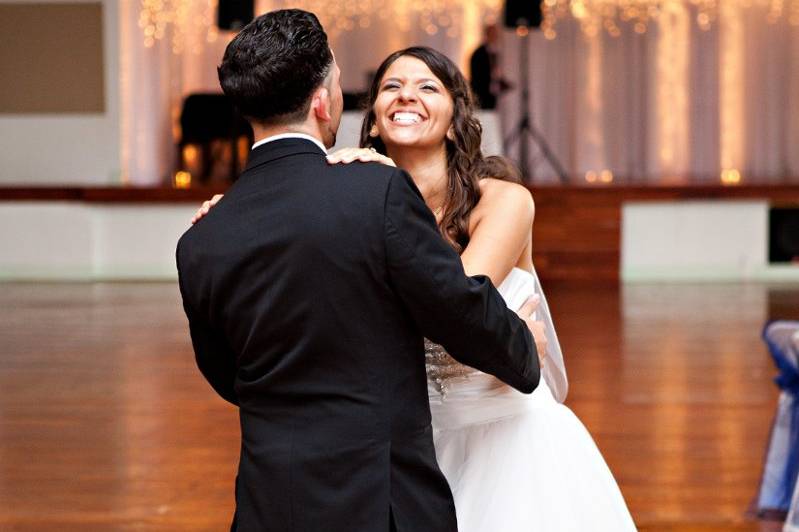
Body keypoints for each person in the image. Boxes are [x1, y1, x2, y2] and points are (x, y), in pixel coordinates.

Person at [200, 45, 637, 530]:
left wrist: (388, 195)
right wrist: (240, 218)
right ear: (372, 123)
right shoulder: (351, 202)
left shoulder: (504, 200)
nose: (407, 95)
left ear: (454, 120)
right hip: (407, 449)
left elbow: (456, 305)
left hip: (508, 444)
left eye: (427, 87)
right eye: (392, 87)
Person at [469, 24, 511, 110]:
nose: (495, 37)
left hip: (491, 95)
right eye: (493, 34)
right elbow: (478, 76)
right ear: (487, 34)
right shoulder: (479, 53)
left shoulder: (493, 52)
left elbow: (494, 73)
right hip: (481, 94)